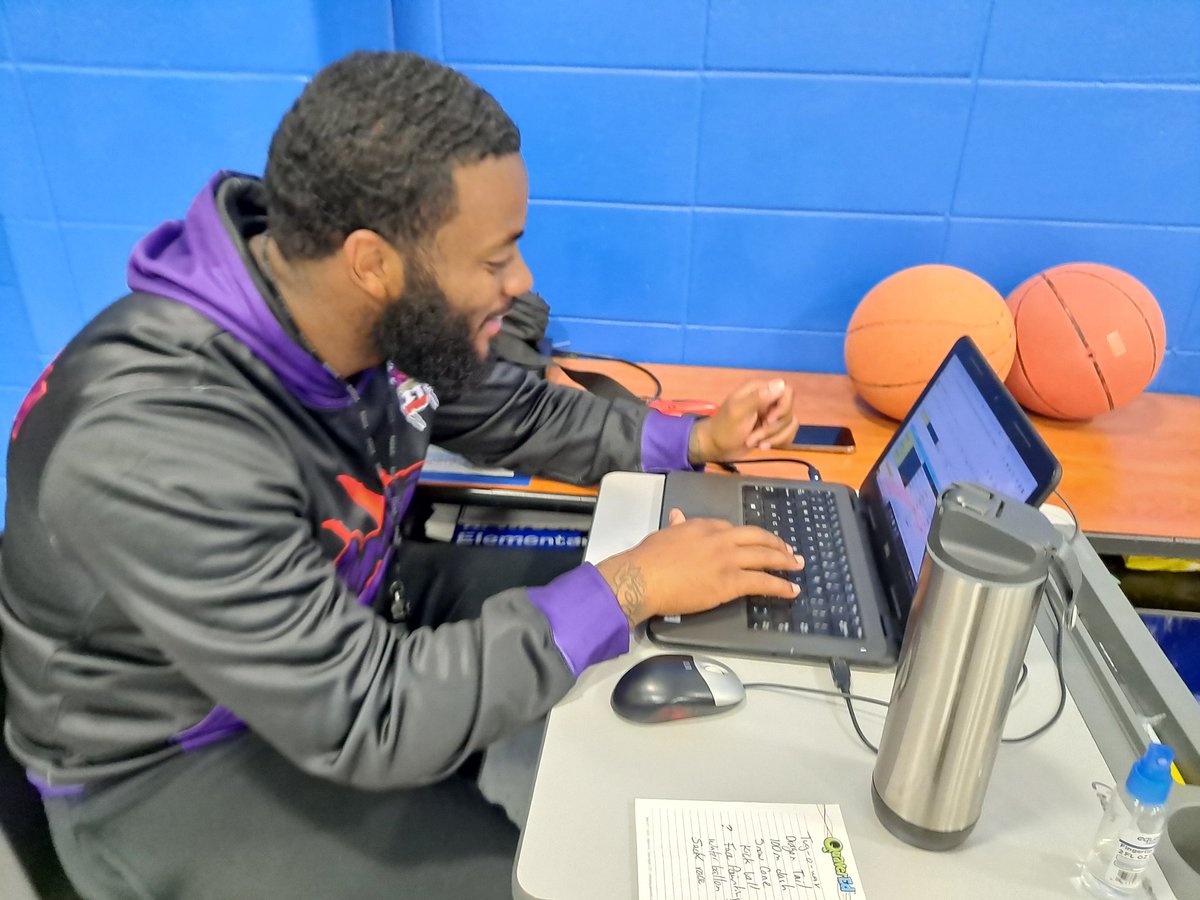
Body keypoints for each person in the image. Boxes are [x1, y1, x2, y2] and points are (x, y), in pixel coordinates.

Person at [0, 51, 803, 899]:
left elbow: (512, 411)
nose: (521, 284)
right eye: (496, 261)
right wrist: (628, 586)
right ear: (373, 262)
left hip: (343, 599)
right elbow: (367, 715)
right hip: (173, 754)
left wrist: (694, 439)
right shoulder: (158, 448)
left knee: (645, 589)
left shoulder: (346, 309)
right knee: (516, 878)